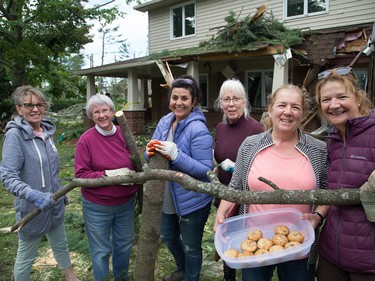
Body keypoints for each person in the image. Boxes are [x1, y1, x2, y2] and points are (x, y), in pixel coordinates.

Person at [214, 84, 329, 281]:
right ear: (270, 109)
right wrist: (221, 213)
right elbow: (235, 187)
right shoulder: (251, 145)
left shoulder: (318, 149)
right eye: (282, 105)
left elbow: (327, 192)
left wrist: (318, 216)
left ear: (303, 113)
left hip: (299, 246)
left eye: (295, 107)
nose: (287, 112)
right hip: (254, 243)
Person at [0, 86, 78, 281]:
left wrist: (59, 191)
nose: (35, 109)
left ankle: (72, 278)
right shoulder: (15, 136)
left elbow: (50, 169)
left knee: (60, 244)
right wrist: (34, 195)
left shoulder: (47, 132)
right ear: (19, 109)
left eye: (39, 104)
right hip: (32, 210)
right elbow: (7, 177)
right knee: (26, 258)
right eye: (29, 105)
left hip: (54, 205)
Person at [145, 75, 213, 281]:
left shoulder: (198, 129)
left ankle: (191, 278)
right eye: (175, 97)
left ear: (193, 102)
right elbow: (153, 154)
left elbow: (205, 170)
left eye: (184, 98)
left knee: (191, 245)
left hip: (193, 197)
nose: (178, 103)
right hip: (168, 193)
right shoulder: (165, 122)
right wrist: (149, 153)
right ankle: (182, 269)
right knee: (169, 236)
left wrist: (176, 155)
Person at [314, 67, 375, 281]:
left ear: (358, 98)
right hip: (332, 255)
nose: (334, 105)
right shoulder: (332, 139)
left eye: (342, 97)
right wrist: (318, 215)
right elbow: (333, 192)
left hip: (367, 261)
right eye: (326, 99)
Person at [74, 93, 138, 281]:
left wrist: (133, 173)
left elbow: (136, 162)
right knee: (101, 250)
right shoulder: (86, 140)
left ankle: (121, 277)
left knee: (124, 244)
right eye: (96, 112)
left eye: (105, 110)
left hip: (125, 204)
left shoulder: (124, 134)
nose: (101, 115)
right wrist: (109, 176)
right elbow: (81, 175)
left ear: (112, 111)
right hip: (97, 207)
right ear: (91, 116)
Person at [213, 78, 264, 281]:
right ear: (221, 103)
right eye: (226, 99)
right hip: (223, 194)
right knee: (225, 238)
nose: (231, 104)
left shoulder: (256, 129)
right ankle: (229, 276)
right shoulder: (220, 128)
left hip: (244, 197)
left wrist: (239, 168)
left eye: (236, 99)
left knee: (244, 240)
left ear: (244, 102)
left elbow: (263, 165)